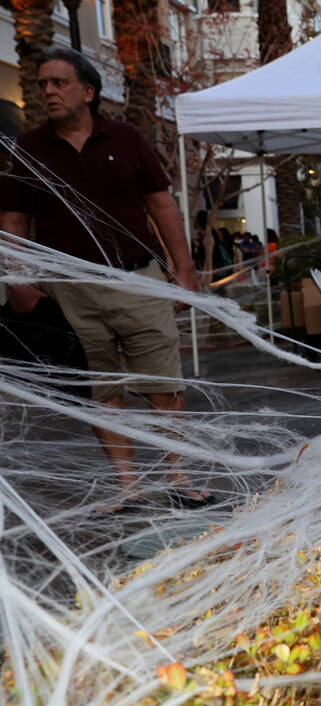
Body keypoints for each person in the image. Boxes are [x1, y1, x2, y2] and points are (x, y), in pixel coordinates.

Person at [0, 46, 207, 509]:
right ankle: (127, 485)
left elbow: (162, 206)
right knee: (100, 390)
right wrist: (18, 285)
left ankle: (178, 474)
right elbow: (13, 223)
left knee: (162, 383)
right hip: (68, 292)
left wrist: (185, 271)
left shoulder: (127, 138)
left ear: (88, 91)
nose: (48, 91)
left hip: (138, 280)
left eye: (59, 82)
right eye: (43, 84)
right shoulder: (29, 149)